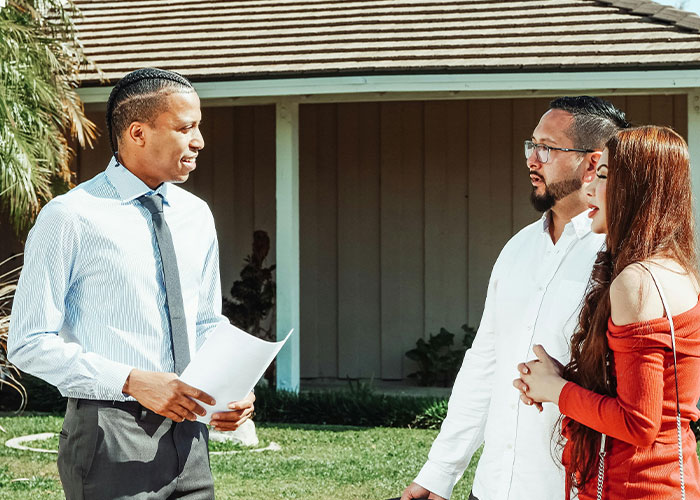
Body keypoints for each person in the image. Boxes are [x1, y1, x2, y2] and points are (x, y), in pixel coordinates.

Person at [8, 68, 254, 499]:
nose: (198, 141)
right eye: (185, 128)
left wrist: (233, 389)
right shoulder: (71, 216)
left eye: (199, 127)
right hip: (110, 437)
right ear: (138, 132)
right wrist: (132, 380)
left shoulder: (196, 215)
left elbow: (204, 321)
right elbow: (28, 342)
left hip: (192, 438)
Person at [400, 96, 629, 500]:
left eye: (547, 148)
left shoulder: (623, 257)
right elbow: (485, 364)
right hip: (492, 487)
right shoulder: (517, 249)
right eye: (531, 145)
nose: (532, 159)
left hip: (570, 489)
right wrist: (439, 472)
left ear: (593, 164)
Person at [515, 126, 700, 499]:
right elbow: (647, 398)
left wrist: (557, 390)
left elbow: (639, 423)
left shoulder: (638, 282)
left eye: (601, 177)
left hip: (633, 488)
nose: (588, 191)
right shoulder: (677, 270)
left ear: (634, 188)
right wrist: (561, 376)